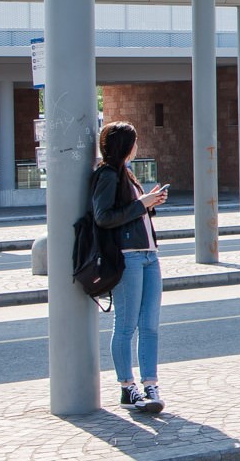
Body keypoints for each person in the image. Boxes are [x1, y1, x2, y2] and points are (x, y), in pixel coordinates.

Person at [90, 122, 168, 414]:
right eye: (134, 141)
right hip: (128, 257)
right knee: (126, 326)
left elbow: (131, 211)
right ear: (124, 144)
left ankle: (151, 384)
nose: (137, 146)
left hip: (149, 255)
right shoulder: (107, 175)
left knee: (150, 325)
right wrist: (141, 204)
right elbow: (103, 216)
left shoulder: (127, 174)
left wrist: (150, 202)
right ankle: (127, 387)